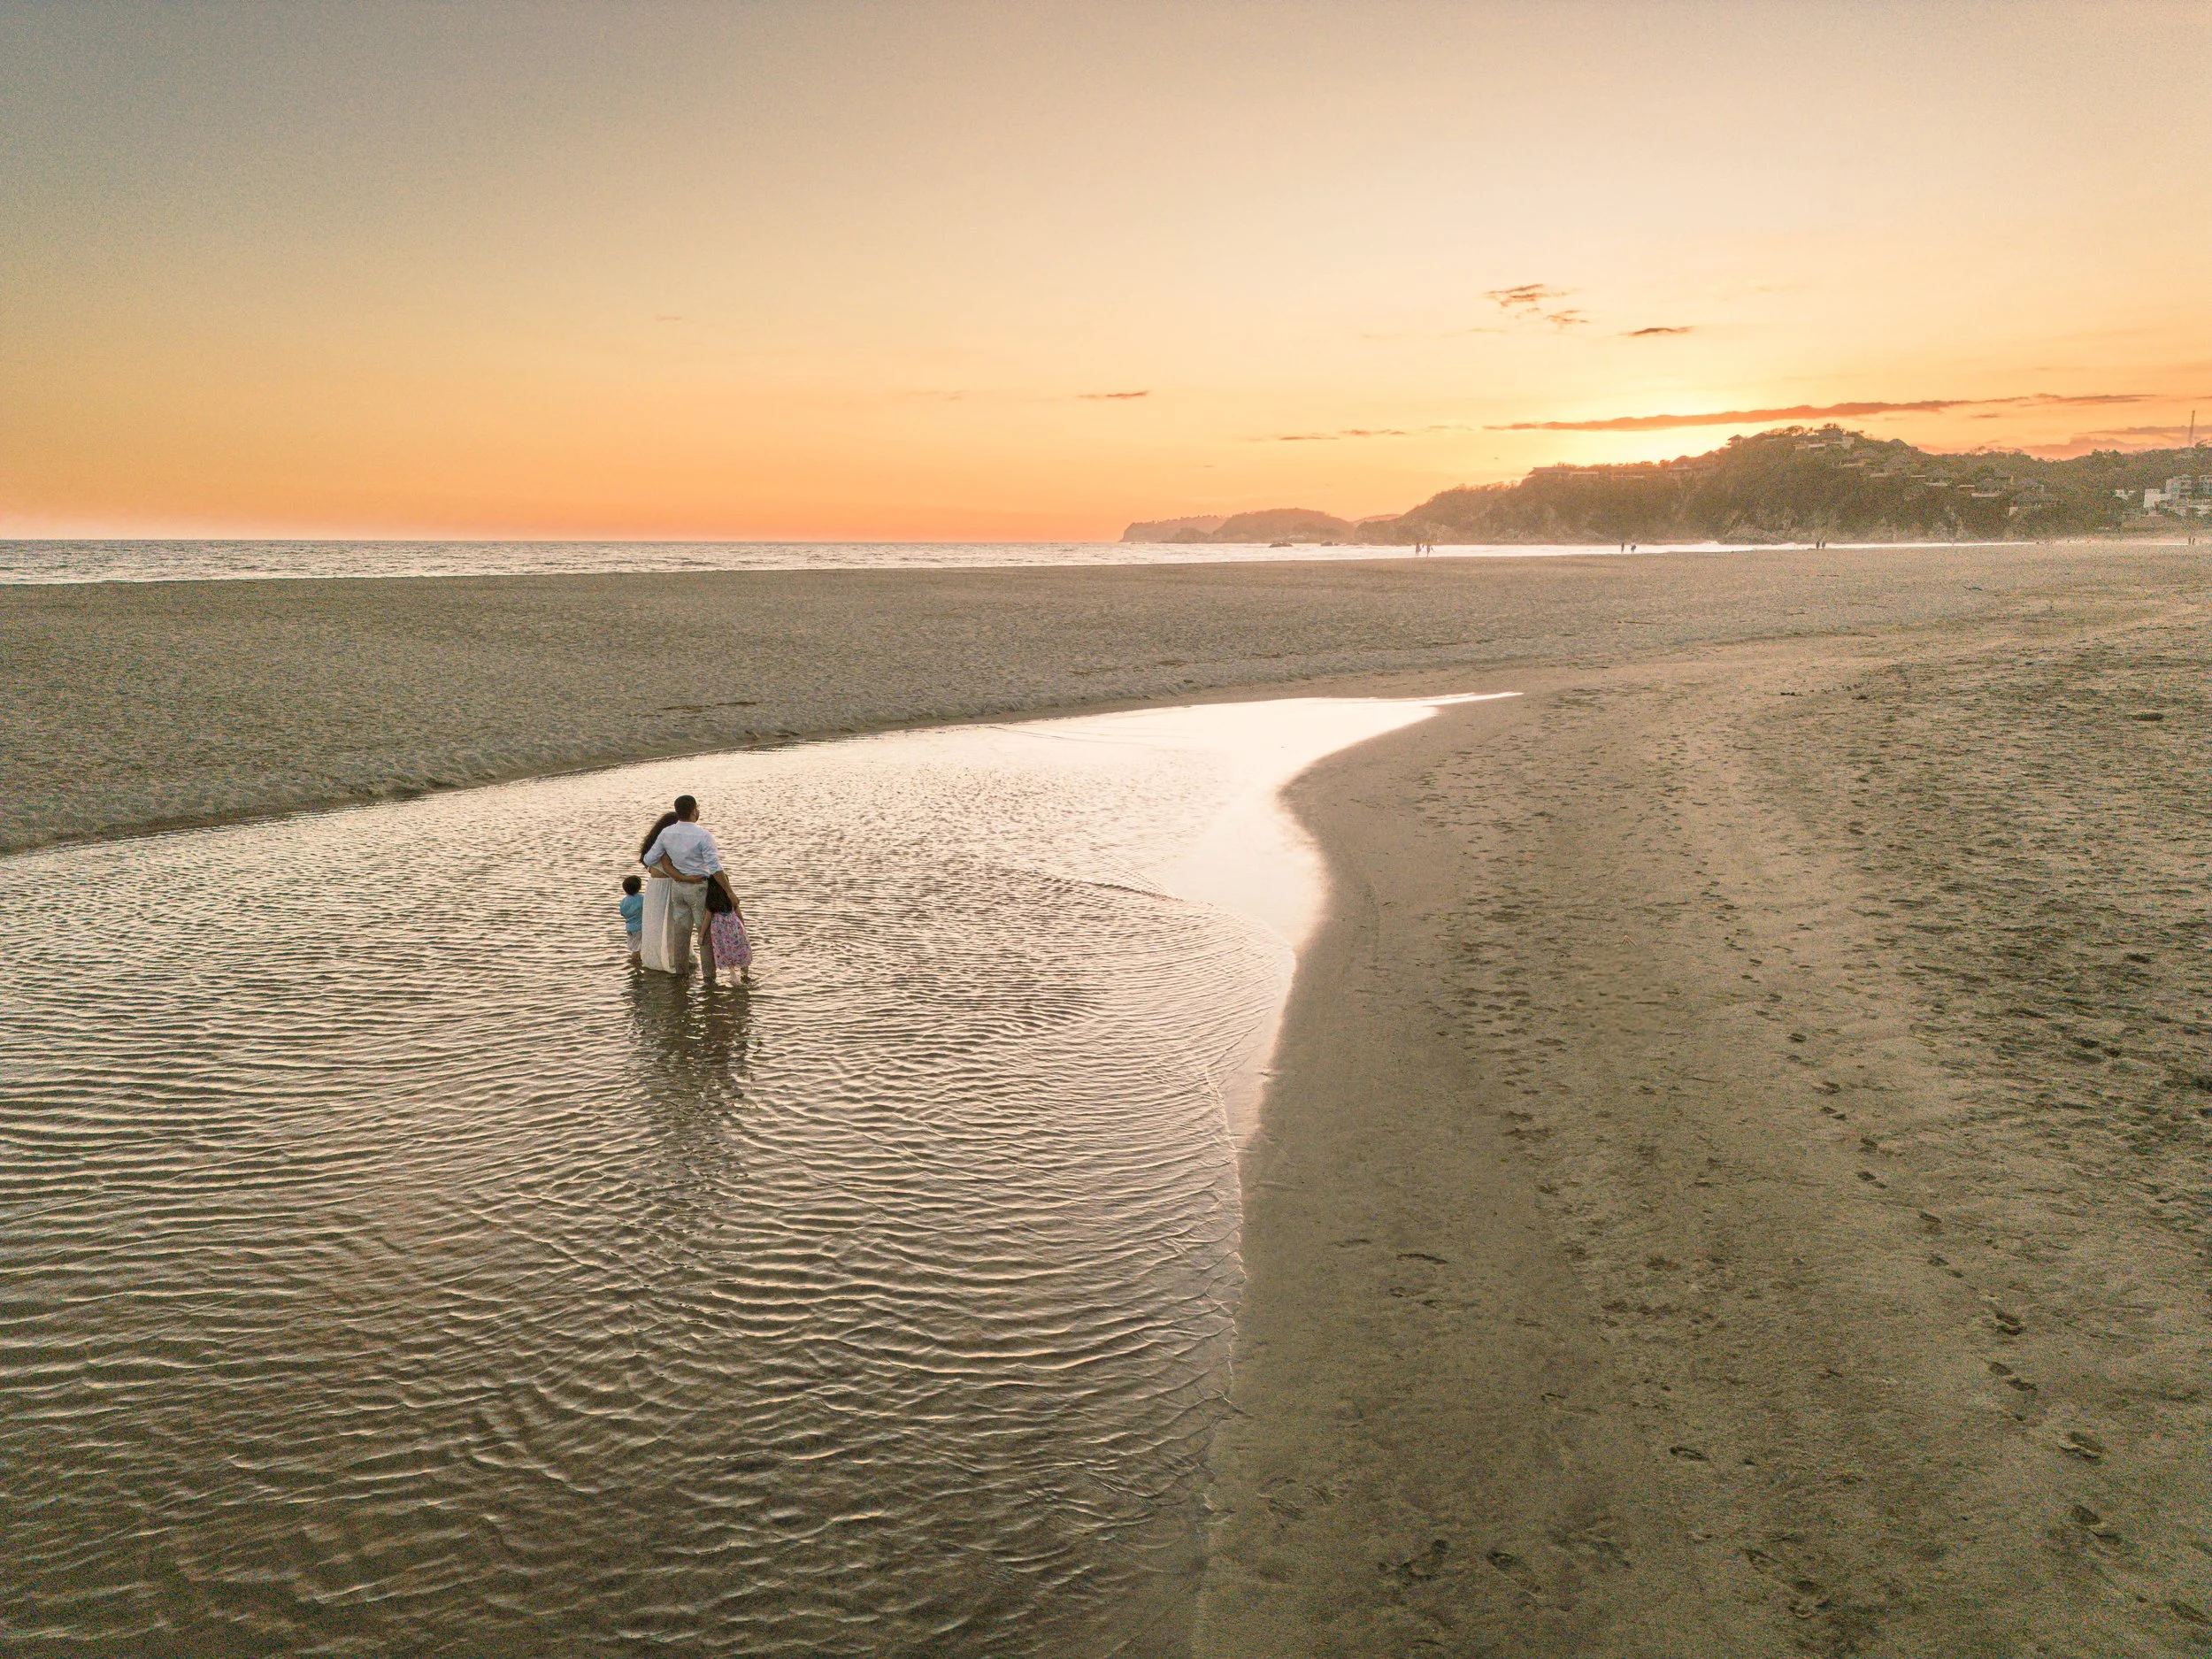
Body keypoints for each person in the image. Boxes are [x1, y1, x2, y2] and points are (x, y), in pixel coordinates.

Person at [638, 795, 739, 983]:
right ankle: (709, 979)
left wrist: (670, 862)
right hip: (699, 888)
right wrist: (729, 891)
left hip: (678, 888)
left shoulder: (666, 833)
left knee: (681, 934)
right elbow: (715, 867)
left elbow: (649, 860)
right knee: (705, 934)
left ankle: (680, 975)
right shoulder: (703, 835)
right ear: (694, 810)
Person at [619, 874, 644, 958]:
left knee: (634, 947)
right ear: (639, 888)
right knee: (638, 949)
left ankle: (633, 964)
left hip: (629, 927)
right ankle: (634, 964)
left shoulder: (624, 900)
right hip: (639, 927)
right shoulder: (642, 898)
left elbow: (622, 913)